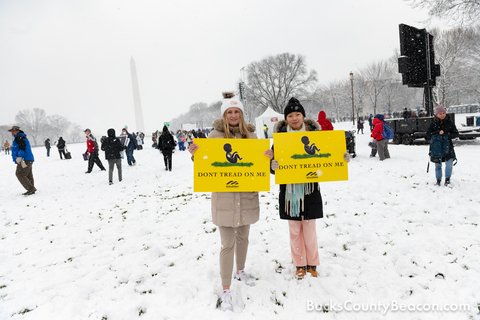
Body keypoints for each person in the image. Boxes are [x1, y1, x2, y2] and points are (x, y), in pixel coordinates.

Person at [188, 92, 268, 312]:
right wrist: (195, 154)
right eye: (229, 112)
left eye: (236, 112)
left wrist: (268, 156)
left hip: (247, 195)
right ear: (224, 115)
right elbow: (204, 161)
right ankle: (225, 288)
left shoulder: (251, 137)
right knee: (227, 243)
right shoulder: (214, 136)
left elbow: (260, 161)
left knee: (243, 237)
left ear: (241, 114)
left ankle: (240, 270)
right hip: (224, 198)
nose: (233, 115)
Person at [270, 97, 324, 280]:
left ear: (303, 116)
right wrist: (273, 164)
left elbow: (328, 159)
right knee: (294, 230)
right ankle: (299, 263)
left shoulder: (316, 137)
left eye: (297, 114)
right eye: (290, 115)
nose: (294, 118)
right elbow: (272, 166)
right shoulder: (280, 139)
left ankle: (312, 263)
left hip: (310, 190)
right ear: (286, 119)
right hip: (289, 193)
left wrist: (343, 158)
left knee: (310, 229)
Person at [426, 105, 459, 186]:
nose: (442, 115)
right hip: (436, 147)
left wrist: (447, 134)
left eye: (443, 113)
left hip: (448, 147)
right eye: (440, 113)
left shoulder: (449, 122)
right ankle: (438, 180)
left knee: (449, 164)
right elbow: (427, 136)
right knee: (438, 165)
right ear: (436, 114)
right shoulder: (433, 123)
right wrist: (437, 132)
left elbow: (456, 134)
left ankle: (447, 179)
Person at [8, 126, 36, 195]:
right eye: (11, 131)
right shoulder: (19, 137)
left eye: (13, 131)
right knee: (28, 174)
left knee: (20, 174)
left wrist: (20, 156)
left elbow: (23, 148)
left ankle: (31, 189)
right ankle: (31, 189)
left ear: (17, 131)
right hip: (28, 159)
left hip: (24, 159)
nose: (12, 132)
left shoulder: (19, 137)